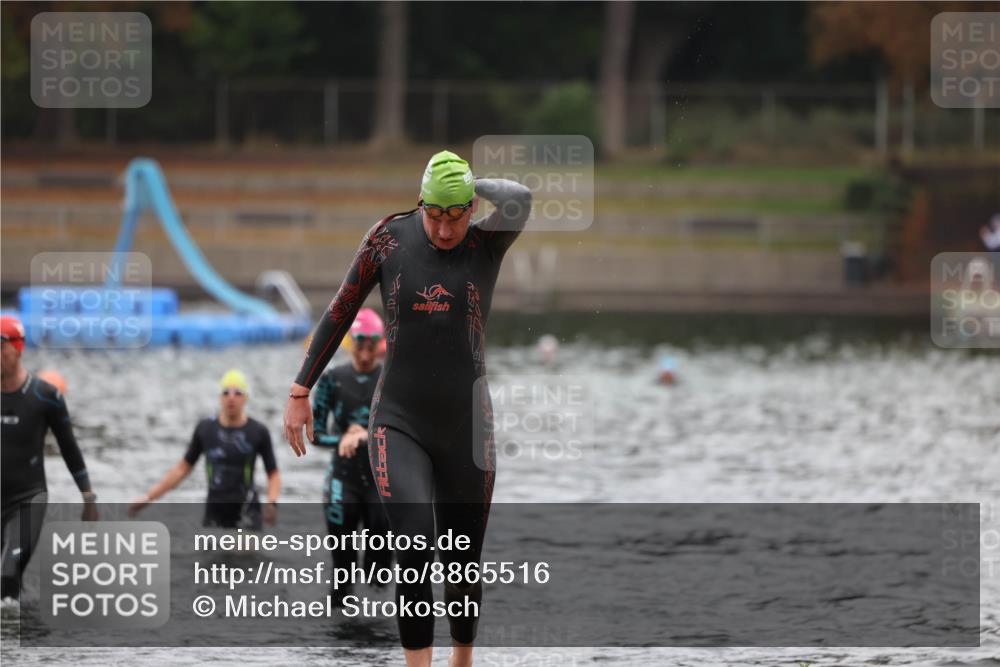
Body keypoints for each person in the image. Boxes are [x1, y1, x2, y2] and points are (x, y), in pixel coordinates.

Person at [284, 150, 531, 667]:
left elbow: (521, 198)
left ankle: (462, 662)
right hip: (399, 421)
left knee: (462, 562)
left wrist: (466, 182)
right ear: (420, 203)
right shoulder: (388, 240)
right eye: (434, 213)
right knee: (415, 552)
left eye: (456, 213)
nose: (444, 229)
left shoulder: (488, 242)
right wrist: (300, 390)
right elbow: (340, 309)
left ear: (469, 207)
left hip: (469, 427)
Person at [1, 316, 98, 600]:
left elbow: (69, 448)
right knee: (9, 584)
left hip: (27, 499)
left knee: (6, 575)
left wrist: (88, 497)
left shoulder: (46, 397)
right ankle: (26, 615)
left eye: (1, 348)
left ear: (18, 349)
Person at [130, 369, 281, 529]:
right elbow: (181, 470)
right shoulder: (206, 429)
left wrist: (272, 502)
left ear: (246, 398)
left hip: (248, 510)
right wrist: (148, 498)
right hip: (215, 511)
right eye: (226, 392)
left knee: (244, 552)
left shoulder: (257, 431)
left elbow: (273, 473)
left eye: (237, 393)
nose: (231, 398)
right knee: (210, 553)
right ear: (219, 397)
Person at [312, 307, 392, 603]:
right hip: (342, 481)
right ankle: (339, 643)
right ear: (351, 343)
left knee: (379, 573)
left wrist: (367, 435)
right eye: (360, 346)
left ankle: (379, 646)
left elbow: (405, 431)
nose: (366, 355)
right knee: (342, 574)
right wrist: (343, 437)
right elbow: (315, 434)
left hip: (381, 483)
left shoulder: (391, 379)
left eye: (372, 347)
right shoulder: (332, 379)